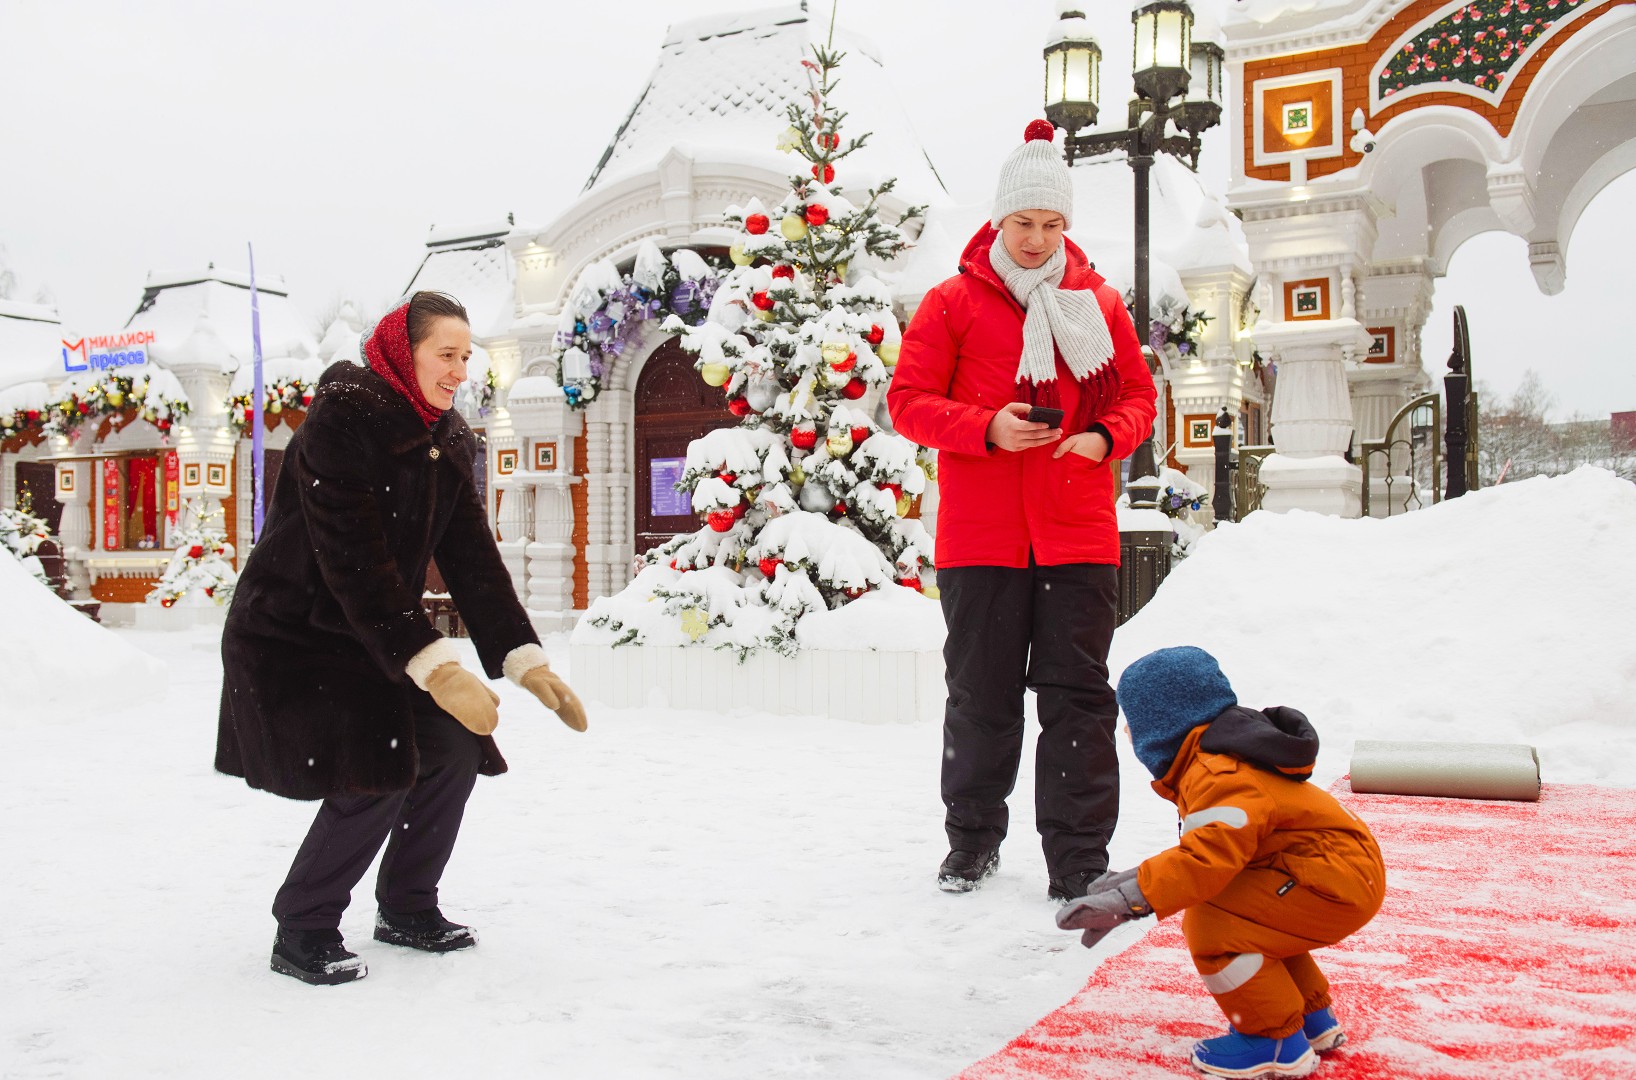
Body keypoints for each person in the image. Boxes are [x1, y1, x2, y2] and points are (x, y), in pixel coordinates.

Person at [216, 290, 588, 986]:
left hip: (373, 636)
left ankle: (408, 906)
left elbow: (474, 558)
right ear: (402, 351)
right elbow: (355, 564)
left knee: (449, 746)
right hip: (296, 632)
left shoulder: (446, 437)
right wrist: (440, 671)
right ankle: (304, 925)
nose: (458, 370)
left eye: (465, 357)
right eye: (445, 354)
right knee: (380, 760)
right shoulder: (340, 424)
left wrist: (525, 659)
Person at [887, 120, 1157, 901]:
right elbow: (906, 403)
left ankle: (1076, 859)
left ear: (1066, 225)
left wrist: (1106, 437)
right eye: (1024, 223)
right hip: (981, 542)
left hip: (1077, 535)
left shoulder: (1097, 304)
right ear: (999, 220)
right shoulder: (952, 303)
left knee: (1078, 700)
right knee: (983, 696)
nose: (1038, 239)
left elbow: (1139, 396)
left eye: (1051, 224)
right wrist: (987, 429)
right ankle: (971, 840)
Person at [1057, 646, 1386, 1079]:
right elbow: (1216, 851)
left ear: (1163, 722)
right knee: (1257, 922)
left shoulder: (1216, 774)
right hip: (1334, 871)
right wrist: (1133, 882)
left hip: (1329, 879)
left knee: (1214, 925)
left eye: (1131, 721)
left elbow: (1204, 862)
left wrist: (1130, 899)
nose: (1126, 732)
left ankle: (1272, 1041)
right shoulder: (1220, 758)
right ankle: (1311, 1019)